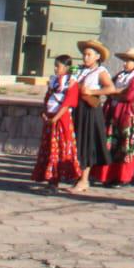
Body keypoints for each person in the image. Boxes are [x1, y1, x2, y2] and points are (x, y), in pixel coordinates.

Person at [97, 47, 134, 186]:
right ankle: (109, 175)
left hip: (127, 114)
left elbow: (130, 95)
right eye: (125, 61)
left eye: (128, 61)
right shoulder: (121, 75)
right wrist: (114, 92)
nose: (124, 64)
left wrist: (115, 93)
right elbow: (109, 87)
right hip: (114, 112)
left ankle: (123, 177)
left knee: (126, 145)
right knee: (112, 144)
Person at [69, 40, 114, 194]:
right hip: (77, 109)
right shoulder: (79, 70)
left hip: (89, 110)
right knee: (77, 143)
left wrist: (93, 92)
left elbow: (110, 88)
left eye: (89, 55)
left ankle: (84, 179)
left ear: (97, 56)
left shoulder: (100, 72)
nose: (85, 58)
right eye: (84, 54)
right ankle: (77, 175)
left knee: (87, 144)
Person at [32, 55, 82, 190]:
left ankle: (56, 180)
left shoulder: (71, 82)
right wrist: (44, 111)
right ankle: (50, 179)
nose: (55, 68)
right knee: (49, 148)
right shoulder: (53, 81)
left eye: (58, 66)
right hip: (50, 117)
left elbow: (68, 102)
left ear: (66, 68)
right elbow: (48, 97)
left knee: (59, 149)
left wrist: (56, 117)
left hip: (61, 119)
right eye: (55, 65)